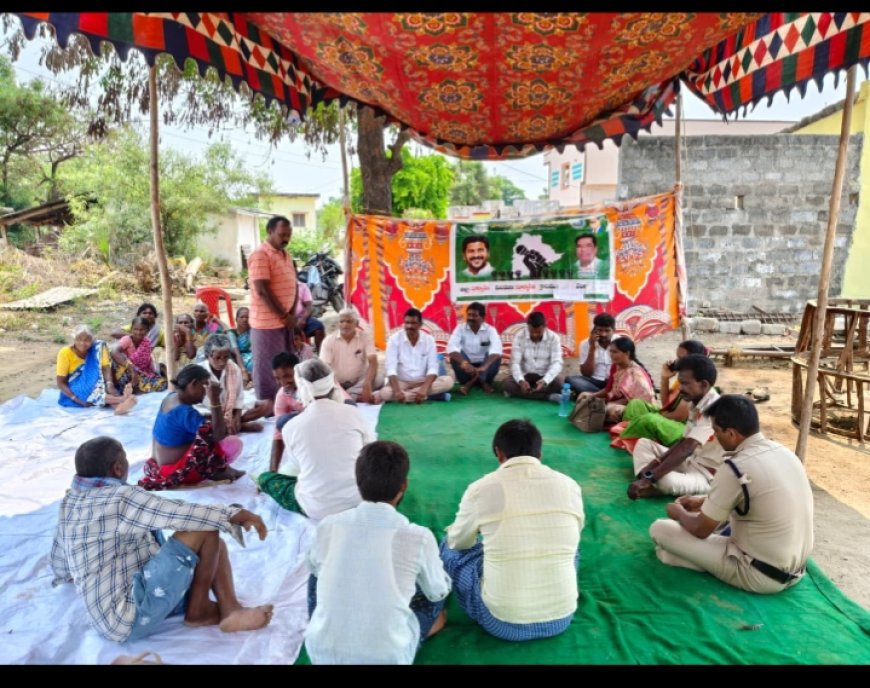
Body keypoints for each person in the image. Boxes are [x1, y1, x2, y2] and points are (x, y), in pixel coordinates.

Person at [50, 436, 274, 642]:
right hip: (128, 615)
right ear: (118, 468)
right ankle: (201, 611)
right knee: (203, 528)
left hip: (106, 619)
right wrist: (235, 514)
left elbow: (60, 554)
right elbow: (179, 513)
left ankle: (228, 609)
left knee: (213, 545)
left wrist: (64, 576)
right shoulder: (120, 498)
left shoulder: (71, 501)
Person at [303, 440, 451, 664]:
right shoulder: (418, 537)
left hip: (322, 653)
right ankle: (425, 626)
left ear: (358, 481)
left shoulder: (328, 526)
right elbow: (437, 592)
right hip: (389, 657)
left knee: (315, 572)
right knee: (435, 592)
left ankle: (322, 625)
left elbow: (314, 568)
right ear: (404, 486)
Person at [649, 395, 813, 594]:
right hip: (796, 571)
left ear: (732, 434)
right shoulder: (784, 452)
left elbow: (701, 530)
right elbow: (757, 500)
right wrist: (703, 502)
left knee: (660, 529)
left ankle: (689, 558)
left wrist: (678, 513)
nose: (715, 437)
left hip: (759, 575)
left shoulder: (735, 467)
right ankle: (694, 556)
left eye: (717, 431)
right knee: (725, 522)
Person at [440, 419, 584, 641]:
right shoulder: (570, 485)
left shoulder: (481, 489)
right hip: (561, 618)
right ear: (540, 453)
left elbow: (459, 542)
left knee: (449, 548)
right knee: (571, 551)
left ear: (499, 453)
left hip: (502, 623)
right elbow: (576, 531)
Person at [257, 359, 375, 520]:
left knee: (266, 478)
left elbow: (297, 466)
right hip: (359, 498)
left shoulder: (291, 427)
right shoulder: (353, 413)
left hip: (317, 507)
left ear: (302, 388)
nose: (284, 382)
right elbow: (369, 449)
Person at [627, 354, 723, 500]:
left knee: (665, 480)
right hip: (691, 461)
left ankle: (650, 483)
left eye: (685, 384)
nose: (681, 389)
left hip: (706, 475)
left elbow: (686, 448)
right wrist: (654, 465)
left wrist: (650, 477)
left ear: (703, 384)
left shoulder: (714, 408)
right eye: (680, 383)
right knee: (643, 444)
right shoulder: (696, 402)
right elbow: (682, 442)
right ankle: (649, 482)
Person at [139, 364, 245, 491]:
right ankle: (216, 470)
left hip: (158, 465)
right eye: (204, 386)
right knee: (232, 443)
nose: (206, 393)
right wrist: (215, 400)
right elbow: (218, 435)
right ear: (193, 384)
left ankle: (215, 468)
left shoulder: (171, 397)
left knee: (209, 427)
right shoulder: (185, 412)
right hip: (173, 471)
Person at [617, 339, 708, 448]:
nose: (676, 362)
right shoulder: (682, 378)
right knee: (636, 404)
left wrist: (654, 416)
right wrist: (665, 378)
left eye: (681, 359)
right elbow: (666, 403)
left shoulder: (695, 381)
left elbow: (678, 416)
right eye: (677, 357)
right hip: (671, 419)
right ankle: (638, 434)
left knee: (649, 419)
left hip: (684, 429)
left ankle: (636, 435)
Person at [248, 215, 299, 404]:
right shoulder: (260, 254)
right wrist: (284, 315)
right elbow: (262, 290)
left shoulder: (286, 255)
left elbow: (293, 285)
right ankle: (267, 404)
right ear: (270, 232)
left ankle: (286, 400)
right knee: (268, 367)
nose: (286, 238)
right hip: (267, 323)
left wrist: (291, 314)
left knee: (286, 364)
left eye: (289, 234)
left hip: (285, 321)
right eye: (282, 234)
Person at [378, 308, 454, 403]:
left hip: (423, 381)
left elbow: (433, 368)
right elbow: (391, 368)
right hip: (402, 381)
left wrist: (424, 388)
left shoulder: (428, 340)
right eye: (407, 323)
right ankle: (426, 396)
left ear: (420, 325)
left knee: (448, 381)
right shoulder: (394, 340)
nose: (409, 326)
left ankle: (410, 396)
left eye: (413, 323)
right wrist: (397, 391)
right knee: (385, 393)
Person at [198, 334, 269, 434]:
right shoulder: (199, 372)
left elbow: (239, 396)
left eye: (225, 357)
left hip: (229, 409)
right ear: (207, 355)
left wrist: (236, 416)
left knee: (267, 405)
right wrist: (222, 418)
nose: (222, 362)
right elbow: (204, 405)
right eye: (217, 358)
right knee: (200, 419)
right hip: (210, 412)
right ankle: (233, 426)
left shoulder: (233, 368)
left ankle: (232, 425)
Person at [56, 325, 136, 413]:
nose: (83, 343)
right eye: (79, 339)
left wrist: (109, 384)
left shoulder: (97, 348)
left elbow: (105, 367)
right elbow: (60, 383)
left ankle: (118, 408)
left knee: (105, 387)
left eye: (87, 340)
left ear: (92, 340)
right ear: (74, 339)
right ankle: (122, 399)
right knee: (91, 389)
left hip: (96, 381)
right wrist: (75, 398)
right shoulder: (65, 352)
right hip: (76, 386)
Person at [576, 336, 654, 424]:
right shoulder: (616, 366)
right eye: (610, 351)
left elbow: (630, 400)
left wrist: (609, 404)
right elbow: (608, 389)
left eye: (615, 352)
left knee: (611, 410)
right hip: (615, 400)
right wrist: (593, 395)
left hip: (637, 408)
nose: (611, 355)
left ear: (627, 353)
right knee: (584, 395)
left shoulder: (635, 373)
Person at [319, 307, 384, 403]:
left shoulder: (364, 337)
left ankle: (347, 396)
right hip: (337, 383)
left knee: (379, 378)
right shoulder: (329, 341)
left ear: (356, 324)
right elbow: (324, 368)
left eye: (349, 321)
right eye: (342, 321)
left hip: (359, 381)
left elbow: (373, 362)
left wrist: (367, 383)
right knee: (325, 386)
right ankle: (354, 396)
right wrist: (336, 385)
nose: (345, 325)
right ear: (338, 323)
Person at [503, 311, 563, 401]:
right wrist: (521, 381)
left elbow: (557, 363)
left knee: (559, 384)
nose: (535, 335)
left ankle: (520, 394)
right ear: (527, 326)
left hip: (543, 376)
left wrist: (545, 381)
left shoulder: (554, 338)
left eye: (538, 332)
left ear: (544, 327)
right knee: (507, 384)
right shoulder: (519, 336)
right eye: (532, 331)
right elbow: (515, 363)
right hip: (525, 375)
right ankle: (547, 397)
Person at [446, 301, 503, 395]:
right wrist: (465, 364)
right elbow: (452, 349)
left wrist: (484, 367)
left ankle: (470, 384)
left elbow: (496, 350)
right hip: (466, 370)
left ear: (483, 317)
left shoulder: (490, 330)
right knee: (455, 356)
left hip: (485, 370)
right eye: (469, 315)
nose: (470, 318)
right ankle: (482, 383)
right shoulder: (460, 328)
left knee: (495, 356)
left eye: (474, 315)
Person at [268, 352, 304, 476]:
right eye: (278, 378)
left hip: (330, 422)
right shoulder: (282, 394)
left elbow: (348, 404)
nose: (283, 382)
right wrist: (272, 472)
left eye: (288, 376)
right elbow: (278, 432)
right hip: (313, 424)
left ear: (298, 372)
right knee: (283, 422)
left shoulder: (313, 384)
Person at [566, 312, 615, 393]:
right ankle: (603, 395)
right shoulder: (585, 344)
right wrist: (592, 347)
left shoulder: (619, 342)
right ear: (594, 330)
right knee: (571, 380)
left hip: (614, 381)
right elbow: (586, 374)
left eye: (607, 330)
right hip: (593, 382)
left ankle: (597, 395)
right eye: (600, 330)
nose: (603, 334)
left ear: (614, 330)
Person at [111, 302, 166, 374]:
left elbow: (168, 345)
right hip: (128, 363)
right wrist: (135, 337)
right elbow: (114, 333)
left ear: (155, 316)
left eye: (150, 313)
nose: (147, 315)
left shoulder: (158, 331)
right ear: (139, 315)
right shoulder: (134, 328)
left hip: (147, 361)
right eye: (144, 313)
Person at [116, 317, 168, 393]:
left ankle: (138, 388)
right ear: (131, 329)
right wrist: (132, 370)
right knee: (117, 365)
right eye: (136, 329)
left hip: (143, 373)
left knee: (163, 384)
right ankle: (134, 388)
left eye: (142, 330)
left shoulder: (147, 342)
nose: (138, 332)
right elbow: (114, 351)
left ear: (147, 331)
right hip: (128, 373)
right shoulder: (127, 339)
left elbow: (146, 363)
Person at [294, 279, 327, 353]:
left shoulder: (302, 286)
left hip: (301, 317)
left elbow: (309, 305)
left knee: (318, 326)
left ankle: (321, 355)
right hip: (287, 317)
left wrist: (303, 319)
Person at [228, 306, 254, 379]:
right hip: (241, 359)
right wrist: (242, 369)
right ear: (236, 319)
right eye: (242, 317)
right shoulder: (232, 333)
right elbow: (236, 353)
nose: (245, 319)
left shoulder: (254, 331)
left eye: (247, 317)